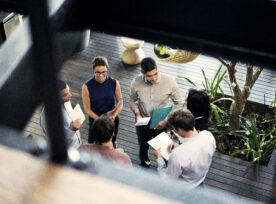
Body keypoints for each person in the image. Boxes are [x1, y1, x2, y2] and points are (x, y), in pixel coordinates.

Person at [129, 57, 182, 168]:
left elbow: (178, 103)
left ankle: (167, 168)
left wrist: (166, 120)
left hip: (163, 120)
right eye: (149, 76)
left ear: (157, 68)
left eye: (155, 74)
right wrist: (137, 113)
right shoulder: (136, 82)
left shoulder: (170, 81)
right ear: (142, 73)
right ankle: (144, 163)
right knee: (143, 145)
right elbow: (132, 100)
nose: (153, 78)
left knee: (165, 146)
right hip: (143, 120)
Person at [153, 109, 216, 188]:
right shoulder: (208, 135)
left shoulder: (177, 155)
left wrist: (159, 158)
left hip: (183, 189)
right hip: (200, 181)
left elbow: (168, 180)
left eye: (175, 129)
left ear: (179, 129)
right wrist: (181, 145)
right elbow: (196, 149)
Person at [82, 56, 123, 148]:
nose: (100, 75)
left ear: (107, 70)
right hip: (95, 117)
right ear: (93, 71)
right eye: (97, 72)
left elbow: (120, 102)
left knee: (112, 142)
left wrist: (114, 114)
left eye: (103, 72)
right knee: (92, 143)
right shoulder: (86, 86)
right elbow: (87, 110)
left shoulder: (114, 83)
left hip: (111, 116)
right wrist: (100, 120)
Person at [40, 80, 82, 148]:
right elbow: (57, 142)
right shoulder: (49, 118)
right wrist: (72, 130)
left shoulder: (66, 101)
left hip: (77, 144)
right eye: (65, 95)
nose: (70, 95)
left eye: (68, 91)